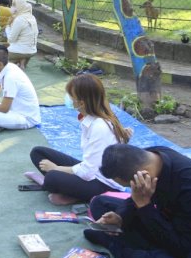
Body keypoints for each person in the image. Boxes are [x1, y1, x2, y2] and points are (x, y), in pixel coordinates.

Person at [85, 144, 191, 258]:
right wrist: (120, 217)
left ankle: (113, 243)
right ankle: (136, 242)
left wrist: (144, 206)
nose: (130, 188)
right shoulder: (153, 155)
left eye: (130, 185)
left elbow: (182, 247)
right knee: (100, 203)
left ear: (144, 173)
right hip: (170, 221)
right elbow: (135, 197)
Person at [27, 74, 130, 205]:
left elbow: (87, 172)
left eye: (71, 96)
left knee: (52, 177)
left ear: (81, 103)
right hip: (92, 171)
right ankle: (71, 191)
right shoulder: (93, 118)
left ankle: (75, 194)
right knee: (38, 153)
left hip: (103, 184)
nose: (69, 99)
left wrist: (56, 168)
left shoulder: (99, 126)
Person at [6, 0, 38, 70]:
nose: (12, 7)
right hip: (32, 51)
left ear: (20, 6)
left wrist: (7, 27)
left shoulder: (19, 19)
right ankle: (22, 62)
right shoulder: (32, 17)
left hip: (20, 51)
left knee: (0, 56)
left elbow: (11, 39)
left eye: (14, 5)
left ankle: (16, 62)